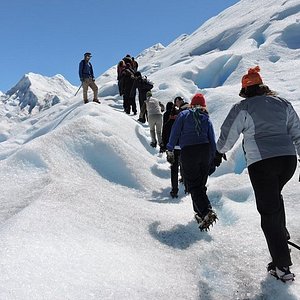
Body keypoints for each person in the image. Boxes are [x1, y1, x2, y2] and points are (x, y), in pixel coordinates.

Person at [215, 66, 300, 282]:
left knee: (268, 212)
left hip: (263, 164)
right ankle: (281, 235)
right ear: (263, 87)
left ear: (245, 90)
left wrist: (218, 152)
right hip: (288, 161)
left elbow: (227, 138)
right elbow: (297, 132)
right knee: (275, 199)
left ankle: (282, 267)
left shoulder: (243, 107)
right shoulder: (283, 104)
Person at [167, 93, 217, 230]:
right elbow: (212, 139)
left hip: (189, 152)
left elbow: (175, 131)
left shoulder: (184, 115)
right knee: (200, 185)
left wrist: (170, 148)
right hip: (205, 151)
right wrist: (212, 158)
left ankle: (206, 211)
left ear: (192, 104)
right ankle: (201, 214)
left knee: (194, 185)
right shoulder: (206, 117)